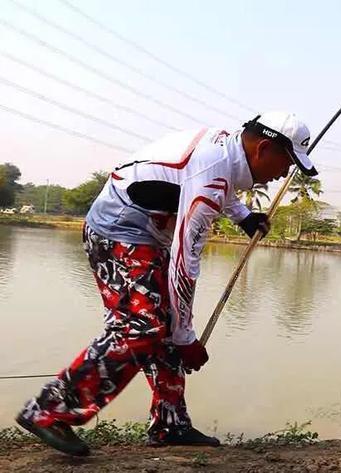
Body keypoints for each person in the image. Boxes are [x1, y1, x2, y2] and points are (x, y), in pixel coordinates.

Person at [15, 111, 318, 456]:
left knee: (165, 323)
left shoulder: (225, 151)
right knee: (142, 328)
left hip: (146, 234)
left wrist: (244, 216)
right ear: (263, 148)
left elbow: (218, 183)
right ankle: (49, 411)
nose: (283, 175)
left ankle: (170, 425)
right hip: (118, 232)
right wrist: (186, 338)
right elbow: (184, 262)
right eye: (286, 163)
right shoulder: (212, 174)